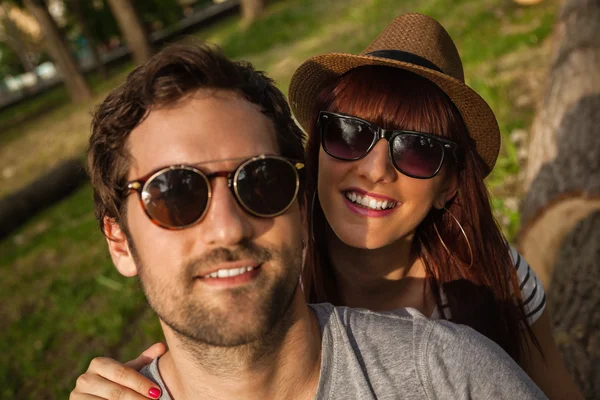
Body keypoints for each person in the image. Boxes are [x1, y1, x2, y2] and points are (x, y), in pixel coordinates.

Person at [71, 39, 547, 400]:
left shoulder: (459, 350)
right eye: (175, 193)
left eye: (260, 182)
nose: (227, 227)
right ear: (118, 240)